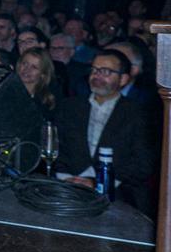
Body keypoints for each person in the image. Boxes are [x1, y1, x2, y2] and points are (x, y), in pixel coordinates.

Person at [51, 50, 157, 214]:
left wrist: (96, 182)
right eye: (94, 70)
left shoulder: (138, 114)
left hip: (119, 194)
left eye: (106, 71)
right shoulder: (69, 107)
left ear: (123, 79)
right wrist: (68, 179)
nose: (97, 75)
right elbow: (56, 147)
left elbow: (142, 164)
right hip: (67, 188)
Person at [17, 48, 57, 115]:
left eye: (34, 67)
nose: (27, 69)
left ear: (43, 74)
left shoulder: (45, 101)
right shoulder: (4, 91)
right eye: (25, 64)